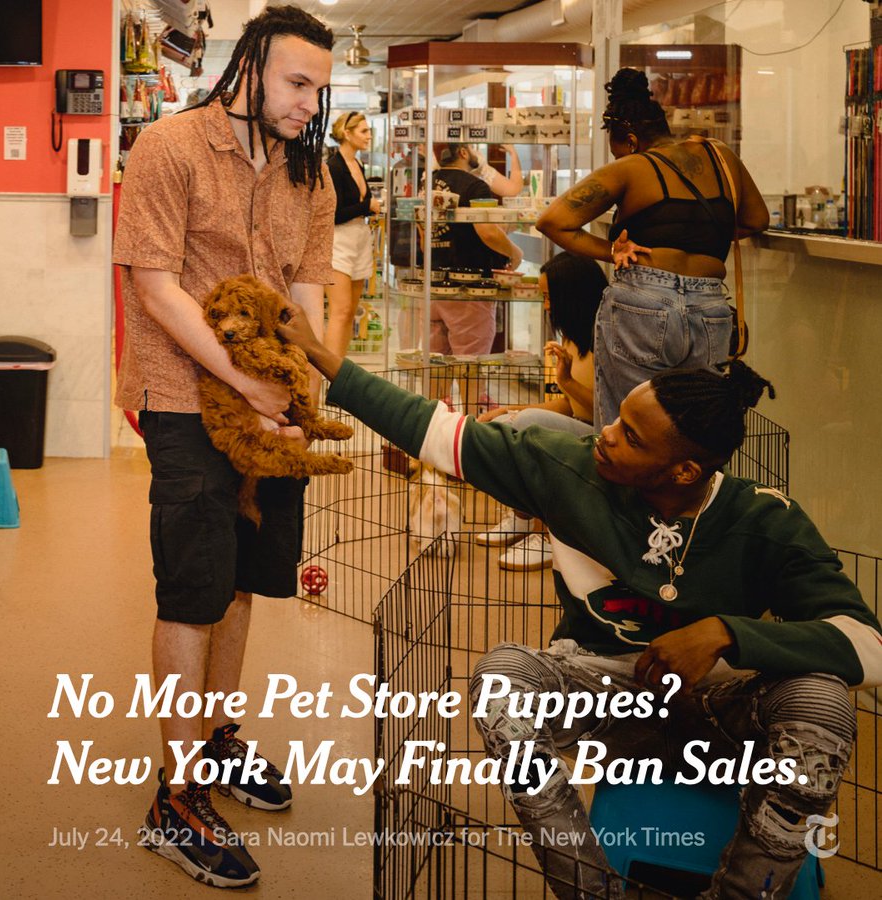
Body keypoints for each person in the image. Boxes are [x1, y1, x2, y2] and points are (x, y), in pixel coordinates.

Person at [276, 304, 882, 900]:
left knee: (822, 700)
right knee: (499, 681)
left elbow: (867, 644)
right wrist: (322, 355)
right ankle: (591, 889)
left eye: (631, 438)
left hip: (723, 711)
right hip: (606, 697)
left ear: (684, 470)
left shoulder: (763, 520)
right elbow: (433, 432)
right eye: (616, 419)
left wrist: (726, 632)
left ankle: (748, 892)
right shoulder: (564, 466)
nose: (605, 436)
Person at [113, 6, 336, 888]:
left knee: (244, 576)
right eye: (296, 82)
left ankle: (215, 739)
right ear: (248, 68)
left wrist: (306, 386)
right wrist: (244, 383)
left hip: (272, 404)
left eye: (319, 86)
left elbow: (309, 291)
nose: (308, 102)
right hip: (180, 397)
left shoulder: (310, 173)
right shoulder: (168, 148)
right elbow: (156, 285)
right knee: (193, 587)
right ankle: (175, 797)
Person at [537, 68, 769, 430]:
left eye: (616, 148)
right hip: (710, 306)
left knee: (626, 422)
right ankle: (685, 484)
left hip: (643, 301)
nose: (617, 156)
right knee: (696, 424)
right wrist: (700, 233)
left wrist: (612, 250)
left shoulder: (631, 168)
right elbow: (757, 220)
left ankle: (622, 487)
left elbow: (553, 220)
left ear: (630, 139)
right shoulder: (719, 155)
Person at [476, 253, 607, 572]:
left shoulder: (606, 337)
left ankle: (548, 536)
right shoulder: (574, 336)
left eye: (549, 297)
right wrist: (509, 409)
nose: (546, 305)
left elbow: (603, 412)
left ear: (570, 294)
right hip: (581, 427)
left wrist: (564, 379)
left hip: (603, 438)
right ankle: (521, 518)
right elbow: (567, 406)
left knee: (527, 426)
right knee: (507, 423)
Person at [427, 143, 523, 359]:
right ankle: (471, 396)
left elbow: (424, 232)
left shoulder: (428, 183)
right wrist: (514, 253)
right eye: (470, 147)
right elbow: (487, 231)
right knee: (470, 366)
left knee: (434, 368)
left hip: (434, 284)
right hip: (470, 289)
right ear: (462, 152)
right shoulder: (475, 186)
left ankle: (437, 396)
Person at [324, 111, 382, 357]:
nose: (369, 136)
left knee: (351, 310)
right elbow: (334, 213)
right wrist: (367, 207)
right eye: (364, 131)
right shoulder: (333, 167)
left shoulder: (358, 163)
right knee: (340, 309)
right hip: (339, 239)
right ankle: (329, 370)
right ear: (346, 134)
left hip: (359, 236)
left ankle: (341, 369)